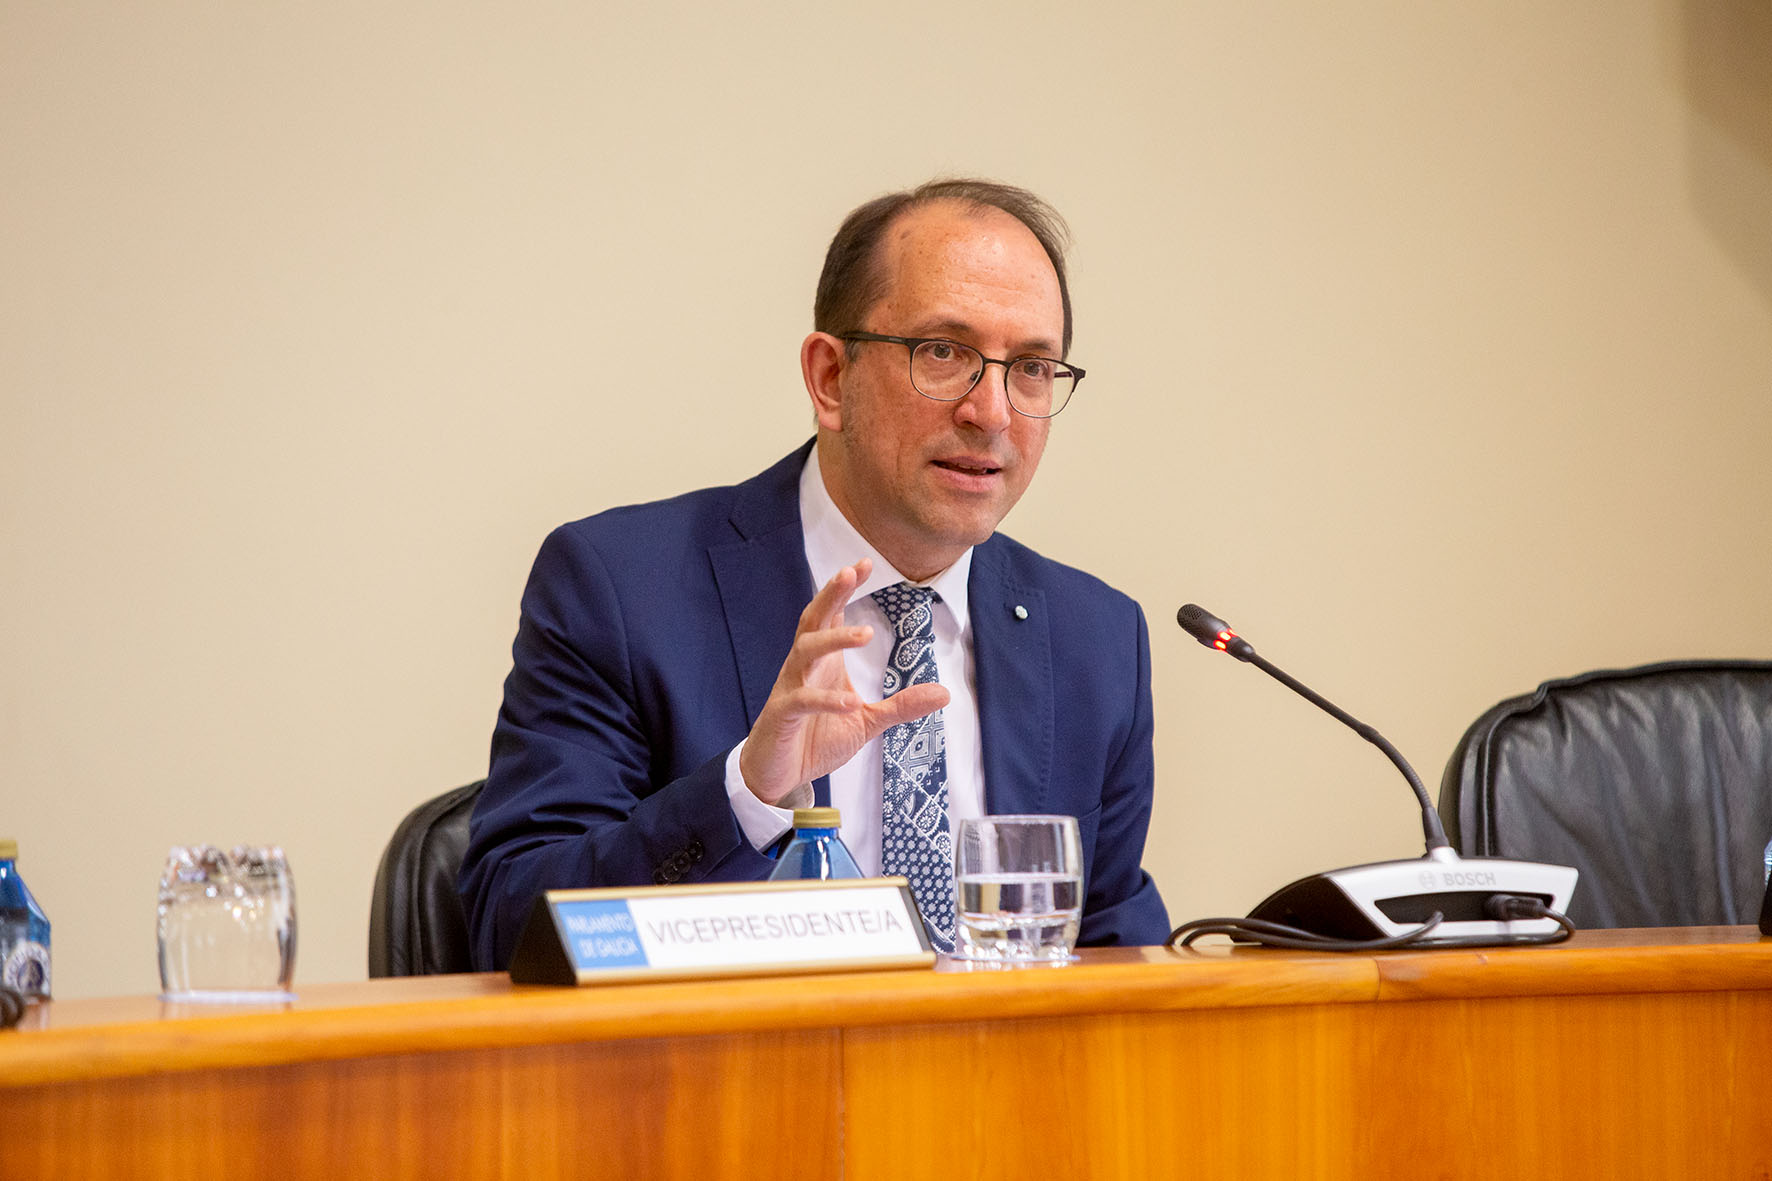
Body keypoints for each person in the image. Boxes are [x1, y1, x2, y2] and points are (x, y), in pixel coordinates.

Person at [460, 179, 1168, 969]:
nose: (993, 411)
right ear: (831, 379)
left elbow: (1116, 949)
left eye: (1032, 367)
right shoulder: (622, 589)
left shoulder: (1094, 640)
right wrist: (747, 791)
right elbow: (508, 922)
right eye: (944, 352)